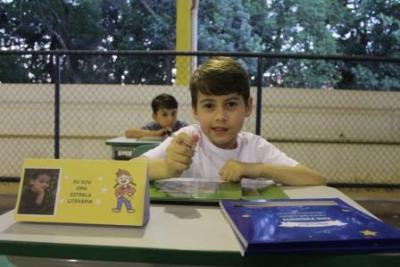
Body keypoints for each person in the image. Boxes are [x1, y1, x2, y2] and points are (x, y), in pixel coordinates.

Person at [141, 57, 326, 186]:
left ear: (248, 107)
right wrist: (166, 167)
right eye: (209, 106)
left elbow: (315, 179)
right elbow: (125, 171)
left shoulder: (255, 147)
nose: (220, 116)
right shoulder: (187, 139)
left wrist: (255, 169)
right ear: (194, 110)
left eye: (230, 104)